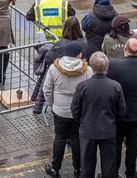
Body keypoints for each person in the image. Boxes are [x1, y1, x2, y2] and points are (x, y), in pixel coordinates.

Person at [43, 40, 93, 178]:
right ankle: (78, 169)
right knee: (76, 139)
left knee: (59, 138)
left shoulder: (54, 68)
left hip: (59, 110)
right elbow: (90, 90)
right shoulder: (87, 70)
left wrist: (50, 104)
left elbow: (47, 89)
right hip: (78, 111)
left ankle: (55, 168)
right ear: (79, 54)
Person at [72, 53, 126, 178]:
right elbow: (122, 111)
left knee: (87, 165)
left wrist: (83, 121)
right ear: (107, 66)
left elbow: (75, 109)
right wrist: (112, 121)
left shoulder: (83, 86)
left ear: (91, 66)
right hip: (108, 130)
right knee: (109, 166)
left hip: (88, 130)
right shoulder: (115, 86)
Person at [107, 38, 137, 178]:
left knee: (116, 144)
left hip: (118, 113)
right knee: (132, 144)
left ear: (125, 49)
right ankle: (131, 173)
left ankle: (113, 172)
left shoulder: (113, 64)